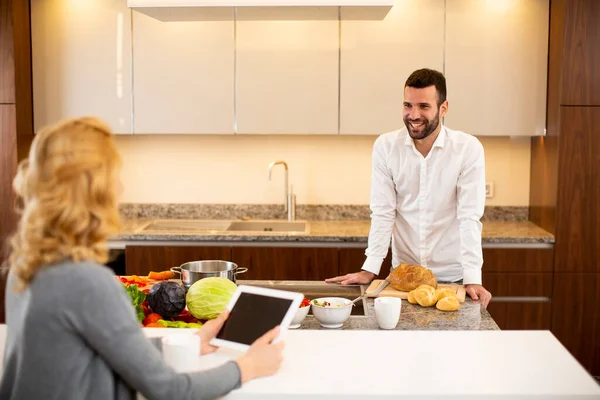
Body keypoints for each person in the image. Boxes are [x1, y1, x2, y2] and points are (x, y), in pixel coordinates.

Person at [0, 117, 284, 400]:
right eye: (114, 176)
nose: (120, 188)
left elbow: (106, 351)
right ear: (94, 191)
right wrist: (247, 367)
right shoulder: (87, 282)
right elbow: (169, 390)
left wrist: (192, 343)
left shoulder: (27, 266)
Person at [326, 68, 492, 308]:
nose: (414, 115)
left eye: (424, 106)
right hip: (403, 279)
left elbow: (469, 217)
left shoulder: (468, 149)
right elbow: (384, 212)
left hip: (451, 278)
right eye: (408, 105)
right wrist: (370, 268)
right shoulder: (386, 147)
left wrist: (473, 278)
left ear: (443, 108)